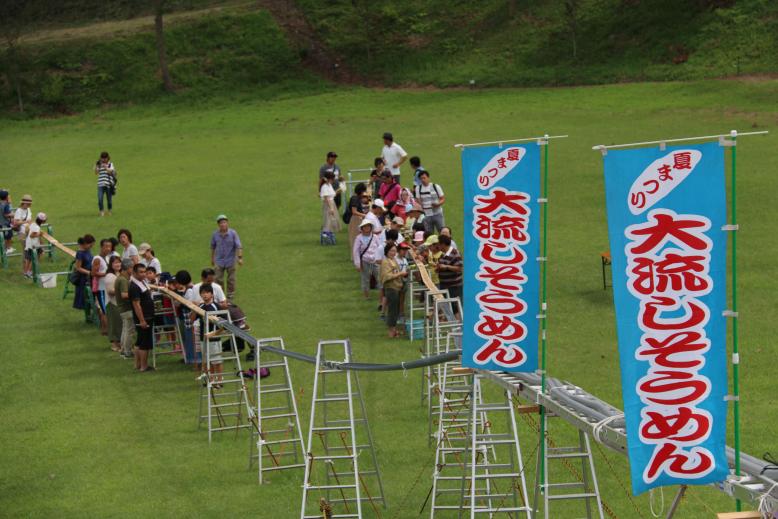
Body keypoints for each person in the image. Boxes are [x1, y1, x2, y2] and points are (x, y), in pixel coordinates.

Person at [196, 284, 223, 387]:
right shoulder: (201, 307)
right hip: (203, 338)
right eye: (202, 293)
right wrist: (195, 308)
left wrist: (214, 334)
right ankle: (211, 381)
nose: (205, 295)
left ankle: (220, 381)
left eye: (207, 292)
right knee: (208, 361)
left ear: (211, 294)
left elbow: (224, 325)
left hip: (214, 339)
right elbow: (192, 319)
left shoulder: (217, 307)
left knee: (217, 361)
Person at [129, 263, 155, 372]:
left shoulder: (141, 282)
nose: (144, 274)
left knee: (139, 341)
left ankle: (137, 364)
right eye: (141, 272)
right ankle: (144, 366)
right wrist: (142, 320)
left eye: (144, 272)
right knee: (145, 342)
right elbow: (136, 304)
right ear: (134, 273)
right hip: (144, 317)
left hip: (147, 315)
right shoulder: (134, 286)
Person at [210, 215, 243, 300]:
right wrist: (212, 258)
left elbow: (238, 246)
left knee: (231, 279)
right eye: (221, 223)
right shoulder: (215, 234)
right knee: (218, 279)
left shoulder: (233, 233)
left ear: (227, 223)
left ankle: (230, 296)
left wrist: (239, 258)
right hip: (219, 260)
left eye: (224, 222)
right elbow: (213, 247)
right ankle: (220, 296)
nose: (223, 224)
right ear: (218, 224)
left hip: (231, 260)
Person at [380, 243, 407, 338]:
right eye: (391, 251)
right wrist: (400, 274)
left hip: (397, 287)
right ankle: (391, 332)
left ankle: (394, 330)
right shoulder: (385, 262)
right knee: (392, 310)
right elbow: (386, 276)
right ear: (387, 251)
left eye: (394, 251)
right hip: (391, 288)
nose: (393, 253)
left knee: (395, 309)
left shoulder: (393, 260)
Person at [353, 221, 381, 299]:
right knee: (365, 278)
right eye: (365, 226)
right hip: (365, 261)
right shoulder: (359, 238)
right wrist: (358, 264)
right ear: (362, 228)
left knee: (379, 277)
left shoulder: (375, 237)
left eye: (368, 226)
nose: (367, 228)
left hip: (375, 260)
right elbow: (356, 251)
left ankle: (381, 294)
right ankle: (366, 296)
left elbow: (380, 248)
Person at [115, 258, 136, 359]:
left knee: (125, 330)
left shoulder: (120, 278)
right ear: (128, 268)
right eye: (132, 268)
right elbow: (124, 295)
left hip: (123, 309)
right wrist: (136, 295)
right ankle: (127, 351)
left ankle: (123, 350)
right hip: (126, 308)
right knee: (129, 331)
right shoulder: (123, 280)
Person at [91, 238, 112, 334]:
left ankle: (104, 329)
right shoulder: (97, 259)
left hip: (107, 288)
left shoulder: (107, 258)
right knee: (104, 310)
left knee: (105, 309)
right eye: (106, 246)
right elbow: (93, 273)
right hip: (101, 288)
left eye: (110, 247)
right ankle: (107, 330)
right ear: (101, 247)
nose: (108, 249)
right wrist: (106, 274)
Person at [437, 234, 464, 304]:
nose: (438, 246)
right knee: (448, 307)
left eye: (439, 244)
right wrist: (438, 268)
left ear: (443, 244)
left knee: (455, 308)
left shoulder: (455, 253)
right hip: (444, 286)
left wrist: (446, 267)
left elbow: (459, 268)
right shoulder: (442, 254)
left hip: (454, 287)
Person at [104, 256, 123, 352]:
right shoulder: (109, 276)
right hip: (112, 303)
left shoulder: (120, 274)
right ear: (111, 265)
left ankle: (120, 343)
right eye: (115, 263)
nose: (118, 264)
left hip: (119, 302)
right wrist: (123, 291)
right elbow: (110, 291)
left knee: (120, 323)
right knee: (114, 323)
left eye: (119, 262)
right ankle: (114, 344)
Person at [345, 183, 369, 258]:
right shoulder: (355, 199)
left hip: (357, 219)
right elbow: (354, 211)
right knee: (355, 238)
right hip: (355, 220)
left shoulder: (356, 198)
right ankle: (355, 256)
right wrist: (364, 215)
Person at [73, 234, 95, 311]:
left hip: (89, 275)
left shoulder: (88, 251)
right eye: (90, 245)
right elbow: (78, 267)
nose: (91, 247)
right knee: (84, 296)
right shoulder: (80, 253)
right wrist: (88, 272)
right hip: (83, 278)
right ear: (85, 243)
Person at [23, 212, 46, 278]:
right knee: (35, 258)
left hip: (30, 244)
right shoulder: (36, 227)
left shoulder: (33, 224)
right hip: (33, 245)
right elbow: (32, 235)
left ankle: (26, 272)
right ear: (42, 221)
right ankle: (29, 272)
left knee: (29, 259)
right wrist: (40, 234)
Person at [319, 172, 341, 240]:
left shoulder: (329, 185)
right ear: (328, 179)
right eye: (332, 179)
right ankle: (326, 234)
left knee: (332, 220)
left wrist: (338, 190)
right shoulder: (324, 186)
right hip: (328, 204)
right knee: (328, 219)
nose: (333, 180)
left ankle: (329, 235)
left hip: (332, 203)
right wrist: (331, 208)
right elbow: (326, 198)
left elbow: (332, 195)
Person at [95, 151, 116, 217]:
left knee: (109, 200)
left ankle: (109, 210)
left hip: (108, 185)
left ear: (107, 158)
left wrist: (106, 167)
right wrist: (97, 166)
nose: (104, 159)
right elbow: (96, 173)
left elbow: (111, 172)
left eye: (105, 158)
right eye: (102, 158)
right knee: (100, 199)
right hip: (100, 184)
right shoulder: (99, 163)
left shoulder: (110, 164)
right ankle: (101, 211)